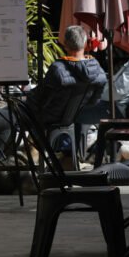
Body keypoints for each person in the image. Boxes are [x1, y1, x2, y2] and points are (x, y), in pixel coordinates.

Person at [76, 16, 129, 162]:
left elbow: (117, 92)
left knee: (73, 112)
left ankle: (69, 157)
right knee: (75, 108)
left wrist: (94, 94)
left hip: (116, 109)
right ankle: (72, 157)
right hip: (117, 105)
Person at [24, 25, 107, 161]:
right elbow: (94, 100)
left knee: (19, 110)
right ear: (84, 44)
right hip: (76, 116)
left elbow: (40, 98)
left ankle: (27, 155)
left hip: (51, 116)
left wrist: (27, 95)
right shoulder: (97, 70)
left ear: (65, 45)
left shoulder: (58, 69)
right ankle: (64, 156)